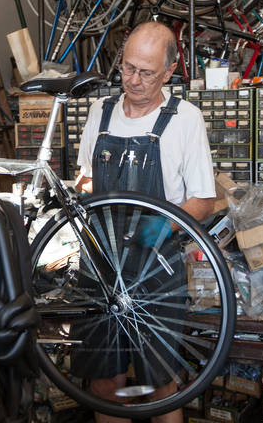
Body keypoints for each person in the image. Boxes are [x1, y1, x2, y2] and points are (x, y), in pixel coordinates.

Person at [74, 21, 216, 423]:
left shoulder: (185, 119)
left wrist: (163, 227)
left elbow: (204, 199)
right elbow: (85, 177)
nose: (133, 80)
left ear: (169, 73)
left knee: (160, 381)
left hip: (156, 262)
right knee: (105, 380)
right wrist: (80, 197)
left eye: (146, 72)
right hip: (101, 261)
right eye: (127, 67)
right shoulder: (99, 112)